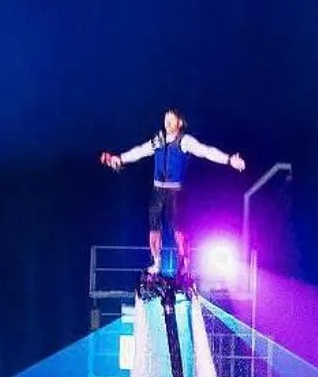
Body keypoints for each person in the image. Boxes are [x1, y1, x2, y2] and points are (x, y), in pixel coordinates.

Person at [100, 109, 246, 274]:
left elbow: (206, 151)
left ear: (180, 123)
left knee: (178, 229)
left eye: (171, 120)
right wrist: (119, 158)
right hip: (157, 191)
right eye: (165, 120)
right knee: (154, 227)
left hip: (175, 192)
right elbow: (140, 151)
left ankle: (184, 263)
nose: (167, 123)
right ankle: (156, 262)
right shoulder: (158, 140)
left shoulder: (185, 141)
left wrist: (229, 160)